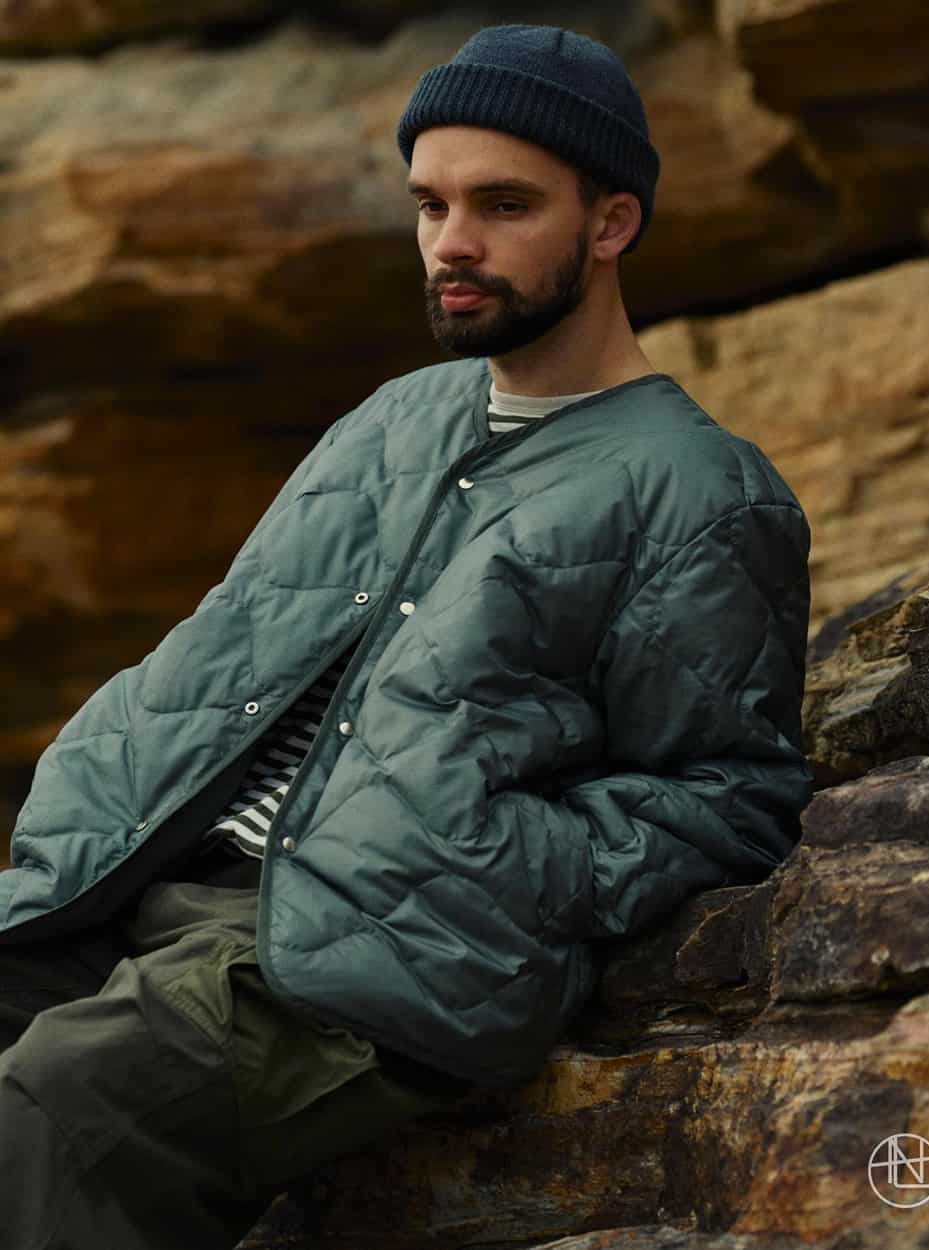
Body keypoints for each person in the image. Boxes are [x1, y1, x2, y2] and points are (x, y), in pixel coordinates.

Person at [0, 23, 814, 1250]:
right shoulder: (388, 420)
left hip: (356, 956)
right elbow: (233, 648)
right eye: (430, 204)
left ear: (611, 223)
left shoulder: (699, 490)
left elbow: (727, 796)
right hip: (149, 876)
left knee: (56, 1112)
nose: (453, 243)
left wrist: (479, 851)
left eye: (502, 204)